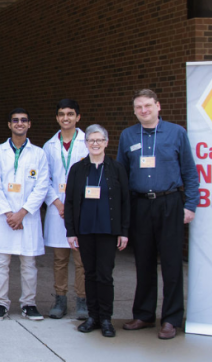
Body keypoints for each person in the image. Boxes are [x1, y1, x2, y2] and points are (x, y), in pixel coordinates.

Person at [116, 89, 198, 340]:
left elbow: (190, 173)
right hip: (141, 205)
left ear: (158, 106)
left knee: (172, 263)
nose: (144, 110)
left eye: (148, 106)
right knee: (144, 262)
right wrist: (124, 212)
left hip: (169, 202)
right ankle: (144, 314)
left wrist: (190, 205)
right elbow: (122, 176)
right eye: (139, 107)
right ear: (134, 110)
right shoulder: (128, 135)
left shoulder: (177, 133)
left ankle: (172, 318)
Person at [64, 124, 131, 338]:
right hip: (84, 230)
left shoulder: (116, 168)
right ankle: (92, 316)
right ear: (86, 144)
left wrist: (124, 231)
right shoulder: (77, 168)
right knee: (89, 273)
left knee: (105, 275)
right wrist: (71, 231)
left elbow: (125, 201)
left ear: (106, 143)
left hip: (108, 230)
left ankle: (106, 318)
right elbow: (71, 201)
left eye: (99, 140)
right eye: (91, 140)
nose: (95, 144)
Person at [0, 108, 50, 321]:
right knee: (1, 262)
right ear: (9, 125)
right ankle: (1, 303)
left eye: (23, 120)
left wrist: (22, 213)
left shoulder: (39, 153)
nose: (19, 124)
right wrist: (9, 213)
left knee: (29, 263)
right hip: (5, 217)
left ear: (29, 124)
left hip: (27, 217)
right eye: (15, 120)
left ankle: (29, 303)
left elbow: (42, 187)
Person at [42, 99, 90, 320]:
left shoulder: (88, 142)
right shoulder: (49, 146)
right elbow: (45, 179)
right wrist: (58, 203)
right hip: (57, 208)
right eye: (61, 114)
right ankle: (60, 300)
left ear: (78, 117)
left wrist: (73, 206)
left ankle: (82, 300)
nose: (66, 118)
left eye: (70, 114)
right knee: (60, 259)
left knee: (81, 259)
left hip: (82, 209)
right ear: (57, 118)